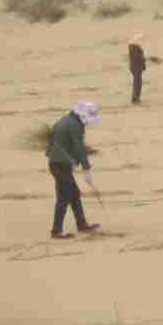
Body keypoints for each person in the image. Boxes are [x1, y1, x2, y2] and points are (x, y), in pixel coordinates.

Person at [49, 102, 102, 238]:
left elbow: (50, 145)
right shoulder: (75, 126)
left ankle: (81, 224)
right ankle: (56, 231)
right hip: (60, 165)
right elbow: (79, 148)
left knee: (74, 194)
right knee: (64, 196)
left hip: (57, 164)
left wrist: (68, 160)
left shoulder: (65, 121)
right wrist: (86, 169)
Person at [128, 34, 146, 104]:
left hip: (136, 67)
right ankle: (135, 99)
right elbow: (136, 58)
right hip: (136, 67)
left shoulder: (134, 47)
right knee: (137, 83)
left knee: (137, 83)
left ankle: (136, 98)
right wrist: (144, 59)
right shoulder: (134, 47)